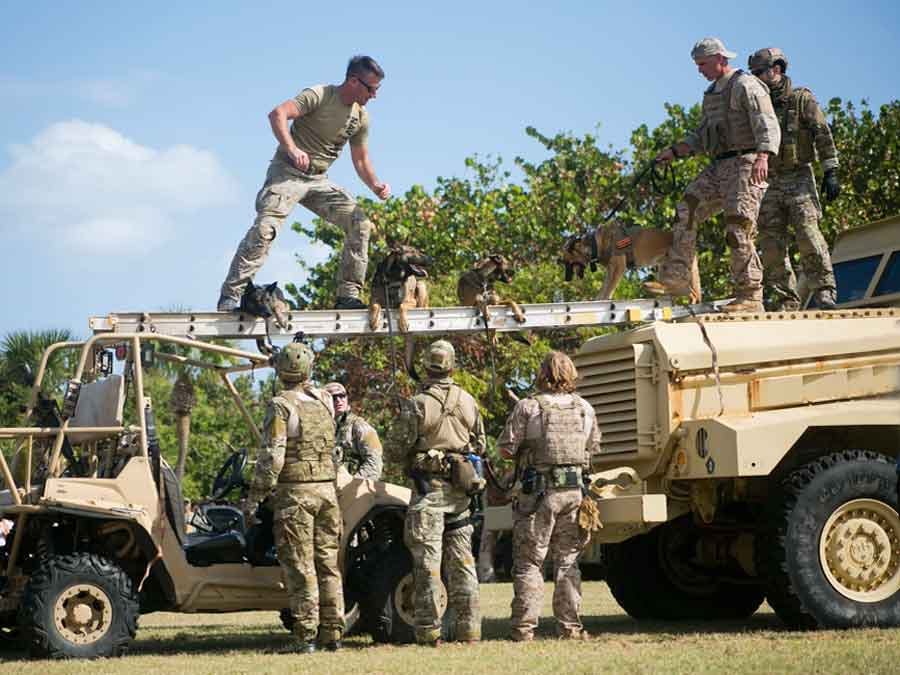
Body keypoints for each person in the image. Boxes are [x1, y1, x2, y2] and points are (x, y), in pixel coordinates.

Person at [218, 55, 391, 312]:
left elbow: (361, 160)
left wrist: (375, 184)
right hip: (287, 174)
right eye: (372, 89)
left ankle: (348, 295)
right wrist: (291, 148)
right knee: (266, 229)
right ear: (354, 81)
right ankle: (231, 295)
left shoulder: (360, 117)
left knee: (360, 223)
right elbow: (278, 114)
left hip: (318, 180)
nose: (375, 95)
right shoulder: (320, 95)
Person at [649, 37, 782, 313]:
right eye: (697, 65)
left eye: (703, 64)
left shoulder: (746, 85)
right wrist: (674, 151)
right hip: (720, 166)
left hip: (746, 163)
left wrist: (764, 156)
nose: (699, 70)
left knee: (738, 227)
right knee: (687, 207)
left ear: (721, 59)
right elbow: (701, 135)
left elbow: (767, 122)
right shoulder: (711, 94)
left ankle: (750, 295)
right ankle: (678, 276)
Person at [242, 342, 343, 653]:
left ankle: (305, 635)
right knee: (328, 564)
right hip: (327, 491)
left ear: (280, 370)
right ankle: (333, 632)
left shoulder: (280, 405)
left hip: (296, 494)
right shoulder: (325, 398)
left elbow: (273, 455)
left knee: (300, 565)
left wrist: (256, 495)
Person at [498, 351, 601, 642]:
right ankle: (570, 628)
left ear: (542, 374)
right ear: (571, 375)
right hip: (575, 495)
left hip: (538, 497)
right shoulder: (585, 408)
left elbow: (505, 449)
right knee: (568, 561)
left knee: (530, 563)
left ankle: (523, 629)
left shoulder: (529, 407)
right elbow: (592, 449)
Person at [390, 340, 484, 645]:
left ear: (426, 367)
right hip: (460, 495)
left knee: (428, 564)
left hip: (428, 493)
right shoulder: (468, 401)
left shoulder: (418, 403)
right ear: (452, 367)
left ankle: (430, 631)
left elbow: (393, 450)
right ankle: (470, 630)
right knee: (463, 563)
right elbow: (480, 445)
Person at [749, 47, 841, 310]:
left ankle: (824, 290)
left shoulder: (801, 99)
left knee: (808, 235)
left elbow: (822, 134)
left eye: (759, 72)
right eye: (753, 73)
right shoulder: (756, 104)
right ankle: (784, 300)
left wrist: (830, 171)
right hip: (769, 181)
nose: (755, 78)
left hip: (798, 178)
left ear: (776, 70)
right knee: (771, 243)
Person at [322, 382, 384, 479]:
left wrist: (352, 485)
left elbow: (374, 464)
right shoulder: (321, 428)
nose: (338, 400)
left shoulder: (359, 426)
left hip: (351, 488)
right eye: (333, 398)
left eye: (342, 396)